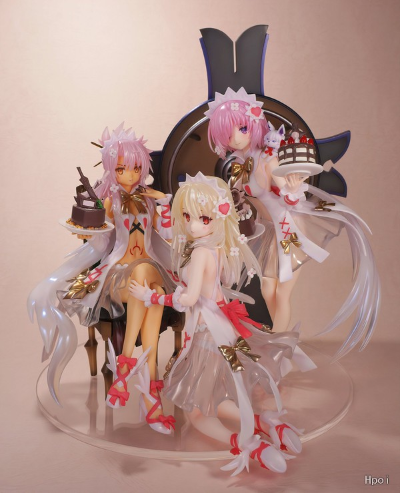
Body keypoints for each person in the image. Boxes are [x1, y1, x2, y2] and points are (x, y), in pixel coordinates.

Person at [129, 172, 307, 475]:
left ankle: (247, 443)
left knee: (196, 412)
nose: (193, 225)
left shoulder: (201, 252)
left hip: (206, 333)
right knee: (211, 398)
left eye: (203, 219)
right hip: (220, 329)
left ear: (218, 217)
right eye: (187, 216)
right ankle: (266, 424)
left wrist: (151, 297)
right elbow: (212, 289)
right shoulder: (216, 247)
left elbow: (189, 299)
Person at [205, 88, 380, 355]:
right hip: (269, 231)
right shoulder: (242, 162)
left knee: (282, 293)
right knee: (267, 289)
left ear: (253, 125)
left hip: (289, 228)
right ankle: (279, 342)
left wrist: (293, 188)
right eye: (228, 134)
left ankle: (275, 350)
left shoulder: (267, 158)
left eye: (242, 129)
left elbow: (288, 195)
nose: (236, 138)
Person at [28, 124, 175, 432]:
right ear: (111, 169)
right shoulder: (111, 202)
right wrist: (88, 232)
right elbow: (100, 243)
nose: (130, 175)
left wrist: (163, 202)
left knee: (147, 278)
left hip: (149, 270)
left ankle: (126, 369)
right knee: (149, 290)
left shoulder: (150, 200)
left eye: (136, 168)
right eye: (122, 169)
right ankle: (150, 394)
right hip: (118, 273)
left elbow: (168, 235)